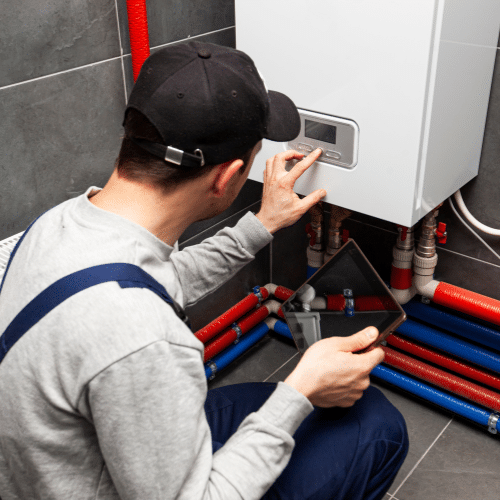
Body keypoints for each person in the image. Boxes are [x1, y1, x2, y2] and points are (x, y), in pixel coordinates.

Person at [0, 42, 408, 499]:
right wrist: (302, 390)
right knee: (378, 427)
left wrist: (261, 224)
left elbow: (152, 279)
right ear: (227, 176)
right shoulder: (144, 339)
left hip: (68, 462)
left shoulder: (61, 224)